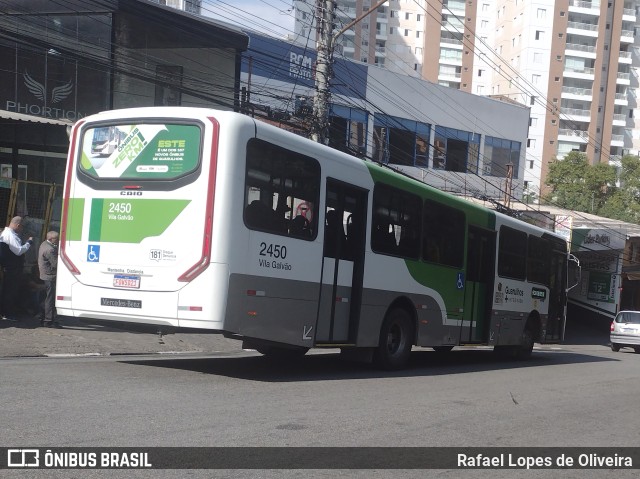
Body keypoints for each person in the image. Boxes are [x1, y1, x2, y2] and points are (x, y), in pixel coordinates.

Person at [0, 216, 33, 321]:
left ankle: (9, 311)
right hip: (11, 269)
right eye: (21, 227)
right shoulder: (9, 235)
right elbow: (18, 251)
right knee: (10, 291)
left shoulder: (10, 234)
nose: (22, 229)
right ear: (18, 225)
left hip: (12, 268)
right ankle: (7, 313)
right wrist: (29, 243)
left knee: (12, 291)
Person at [38, 231, 60, 328]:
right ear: (51, 239)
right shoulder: (50, 249)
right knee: (49, 299)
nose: (59, 240)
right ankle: (48, 320)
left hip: (44, 275)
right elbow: (56, 264)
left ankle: (42, 317)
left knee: (45, 298)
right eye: (57, 239)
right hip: (49, 276)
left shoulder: (44, 244)